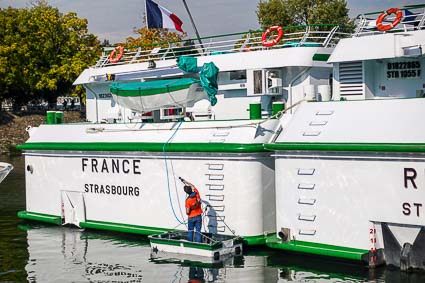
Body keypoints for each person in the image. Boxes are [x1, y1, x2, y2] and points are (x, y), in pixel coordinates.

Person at [181, 178, 202, 243]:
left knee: (190, 231)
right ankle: (199, 244)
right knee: (198, 231)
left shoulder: (188, 200)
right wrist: (185, 181)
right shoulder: (196, 193)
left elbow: (187, 212)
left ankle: (190, 244)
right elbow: (193, 185)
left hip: (191, 217)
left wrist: (189, 211)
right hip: (198, 216)